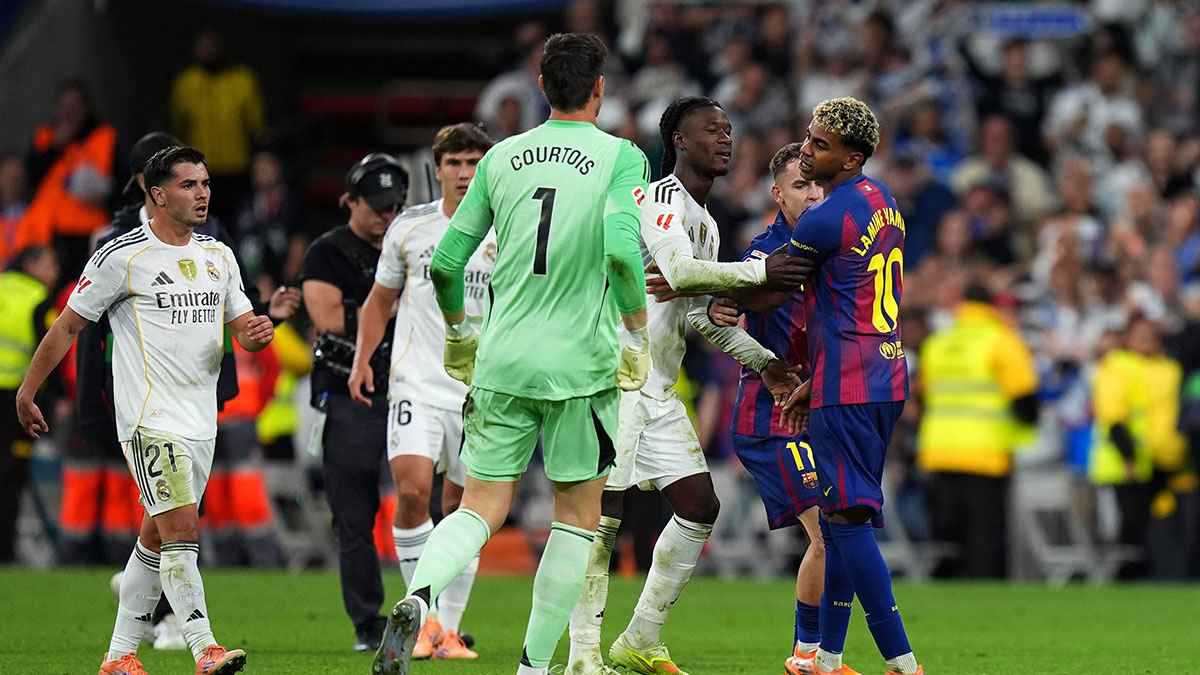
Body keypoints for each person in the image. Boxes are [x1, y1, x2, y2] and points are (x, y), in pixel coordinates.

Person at [374, 32, 652, 675]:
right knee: (576, 518)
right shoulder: (621, 158)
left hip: (501, 359)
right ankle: (533, 666)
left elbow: (446, 264)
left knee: (479, 506)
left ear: (541, 86)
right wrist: (636, 333)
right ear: (600, 88)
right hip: (581, 367)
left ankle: (421, 598)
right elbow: (620, 252)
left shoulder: (501, 158)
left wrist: (458, 334)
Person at [565, 98, 811, 675]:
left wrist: (766, 363)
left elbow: (698, 313)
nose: (725, 138)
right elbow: (679, 272)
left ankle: (640, 639)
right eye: (712, 130)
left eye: (729, 130)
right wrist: (761, 271)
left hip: (657, 387)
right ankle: (582, 656)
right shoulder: (655, 198)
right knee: (603, 516)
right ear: (678, 139)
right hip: (613, 378)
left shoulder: (706, 221)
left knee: (700, 506)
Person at [16, 145, 268, 675]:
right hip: (149, 421)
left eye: (205, 183)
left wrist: (257, 331)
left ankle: (119, 656)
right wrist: (28, 390)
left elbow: (242, 329)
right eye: (188, 185)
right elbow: (67, 325)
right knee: (181, 530)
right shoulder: (121, 256)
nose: (202, 193)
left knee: (155, 536)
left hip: (201, 421)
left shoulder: (219, 256)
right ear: (157, 194)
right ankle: (205, 648)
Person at [784, 97, 923, 675]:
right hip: (884, 373)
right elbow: (857, 297)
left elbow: (770, 286)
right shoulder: (884, 203)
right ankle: (827, 658)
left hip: (848, 385)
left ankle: (902, 661)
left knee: (846, 520)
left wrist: (695, 283)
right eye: (809, 137)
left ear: (851, 158)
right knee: (842, 518)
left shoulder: (826, 217)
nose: (806, 150)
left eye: (820, 144)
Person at [706, 143, 856, 674]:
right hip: (773, 416)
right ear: (777, 194)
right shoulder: (765, 253)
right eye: (800, 186)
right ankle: (809, 656)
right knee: (830, 534)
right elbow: (728, 299)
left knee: (843, 533)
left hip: (820, 409)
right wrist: (722, 302)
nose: (813, 195)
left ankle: (817, 657)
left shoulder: (834, 248)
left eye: (818, 185)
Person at [349, 123, 496, 661]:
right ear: (437, 169)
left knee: (464, 509)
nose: (464, 173)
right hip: (416, 380)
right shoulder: (409, 228)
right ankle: (425, 616)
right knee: (411, 491)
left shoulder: (507, 231)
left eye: (474, 163)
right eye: (454, 163)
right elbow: (379, 300)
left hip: (481, 390)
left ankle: (448, 630)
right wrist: (362, 361)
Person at [301, 152, 408, 652]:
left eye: (396, 206)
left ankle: (433, 620)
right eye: (379, 206)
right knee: (354, 512)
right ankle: (367, 621)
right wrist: (392, 308)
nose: (389, 215)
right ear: (351, 201)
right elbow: (328, 318)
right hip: (350, 391)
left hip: (410, 387)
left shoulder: (410, 244)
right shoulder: (327, 252)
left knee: (428, 502)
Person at [917, 282, 1039, 578]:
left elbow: (923, 395)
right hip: (985, 453)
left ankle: (945, 595)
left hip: (938, 450)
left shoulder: (938, 343)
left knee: (947, 540)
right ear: (992, 306)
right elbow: (1025, 401)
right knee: (985, 540)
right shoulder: (1002, 341)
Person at [21, 79, 117, 281]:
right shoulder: (46, 136)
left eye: (75, 106)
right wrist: (55, 147)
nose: (69, 112)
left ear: (86, 108)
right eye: (64, 106)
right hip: (49, 231)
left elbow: (118, 182)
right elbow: (30, 178)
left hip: (88, 230)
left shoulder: (104, 136)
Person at [0, 246, 60, 563]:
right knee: (11, 478)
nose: (54, 273)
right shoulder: (38, 299)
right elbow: (51, 352)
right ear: (31, 265)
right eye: (49, 265)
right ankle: (6, 551)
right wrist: (56, 398)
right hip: (15, 402)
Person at [170, 29, 265, 225]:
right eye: (203, 46)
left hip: (236, 168)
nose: (208, 51)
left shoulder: (242, 80)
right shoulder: (187, 82)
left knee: (237, 222)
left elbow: (256, 126)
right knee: (200, 223)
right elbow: (177, 125)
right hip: (199, 169)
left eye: (212, 46)